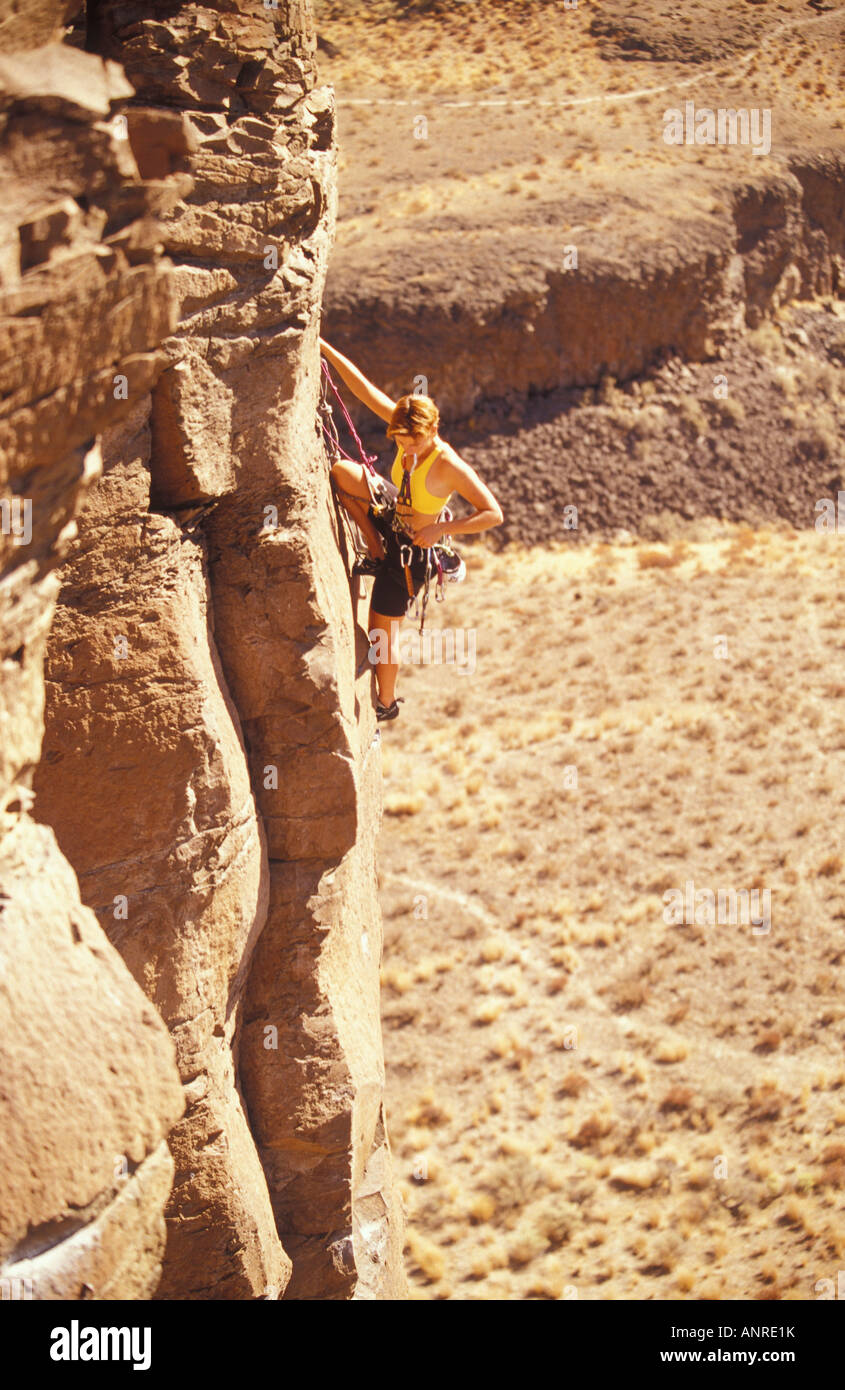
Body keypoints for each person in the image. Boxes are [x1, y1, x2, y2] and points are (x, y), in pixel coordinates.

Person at [320, 337, 503, 721]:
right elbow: (364, 390)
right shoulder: (406, 427)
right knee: (343, 474)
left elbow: (492, 513)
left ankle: (386, 703)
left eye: (413, 441)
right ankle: (374, 551)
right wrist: (323, 348)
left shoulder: (447, 464)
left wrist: (441, 530)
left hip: (414, 550)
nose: (406, 448)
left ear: (432, 430)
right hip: (392, 517)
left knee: (380, 632)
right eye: (400, 441)